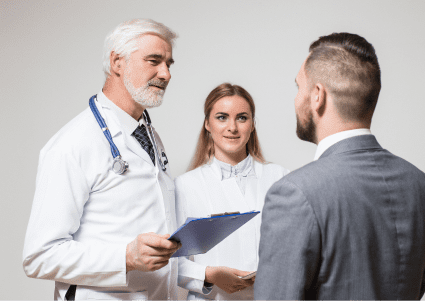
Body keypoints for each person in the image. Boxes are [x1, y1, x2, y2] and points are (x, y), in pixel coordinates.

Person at [254, 33, 425, 300]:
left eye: (299, 87)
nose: (297, 99)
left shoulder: (294, 193)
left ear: (317, 96)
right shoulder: (421, 185)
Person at [23, 19, 182, 300]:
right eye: (154, 61)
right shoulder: (72, 144)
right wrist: (124, 257)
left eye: (169, 63)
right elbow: (40, 256)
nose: (166, 73)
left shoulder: (148, 135)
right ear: (117, 62)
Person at [174, 83, 289, 300]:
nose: (232, 127)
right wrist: (208, 274)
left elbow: (294, 247)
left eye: (242, 118)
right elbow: (169, 261)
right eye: (222, 117)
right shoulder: (185, 185)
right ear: (207, 124)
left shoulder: (279, 178)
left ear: (253, 124)